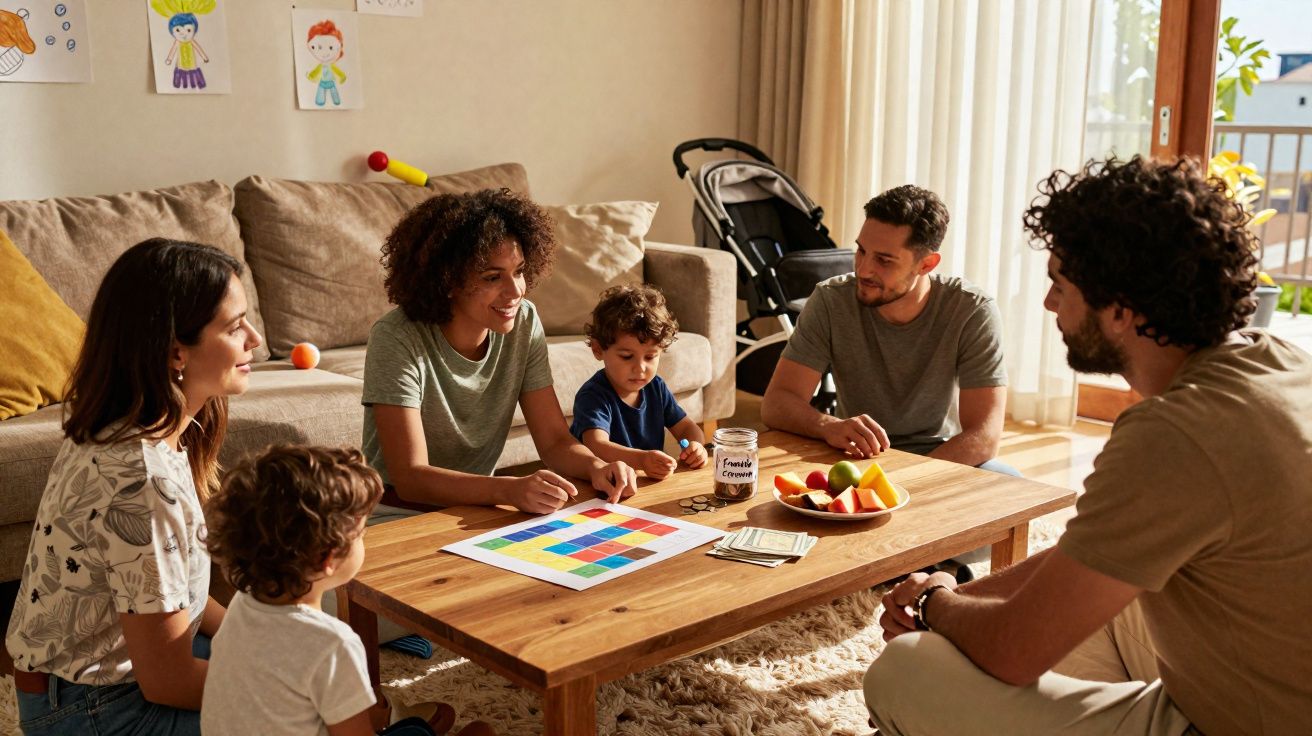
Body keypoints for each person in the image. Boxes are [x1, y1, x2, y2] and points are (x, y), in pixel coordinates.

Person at [863, 156, 1312, 736]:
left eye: (1060, 285)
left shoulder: (1175, 433)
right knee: (1103, 601)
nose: (1050, 304)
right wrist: (953, 586)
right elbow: (1103, 556)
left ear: (1120, 310)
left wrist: (933, 608)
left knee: (904, 668)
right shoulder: (1279, 360)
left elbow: (1014, 651)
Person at [5, 238, 262, 735]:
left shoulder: (137, 428)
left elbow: (177, 594)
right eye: (234, 326)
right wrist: (297, 688)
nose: (253, 337)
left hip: (110, 677)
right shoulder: (141, 482)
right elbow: (168, 682)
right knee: (306, 710)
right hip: (93, 709)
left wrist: (258, 639)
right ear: (174, 351)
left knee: (292, 659)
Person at [362, 188, 638, 521]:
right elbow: (410, 478)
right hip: (395, 512)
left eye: (519, 272)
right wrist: (508, 490)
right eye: (493, 277)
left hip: (477, 506)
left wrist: (597, 466)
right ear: (447, 281)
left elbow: (553, 441)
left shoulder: (524, 320)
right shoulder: (397, 336)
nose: (515, 291)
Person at [201, 445, 494, 736]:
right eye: (361, 534)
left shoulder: (241, 605)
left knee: (424, 725)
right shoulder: (333, 644)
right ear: (328, 558)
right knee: (480, 732)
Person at [760, 184, 1013, 474]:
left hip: (940, 456)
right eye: (861, 251)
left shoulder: (972, 311)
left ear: (927, 264)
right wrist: (828, 426)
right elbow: (777, 403)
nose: (864, 269)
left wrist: (902, 480)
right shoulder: (830, 300)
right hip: (855, 456)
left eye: (884, 260)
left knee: (1011, 482)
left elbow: (984, 436)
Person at [570, 284, 709, 479]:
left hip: (641, 482)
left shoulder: (656, 387)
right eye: (627, 357)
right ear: (598, 349)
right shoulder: (593, 395)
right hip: (598, 485)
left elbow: (686, 427)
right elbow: (597, 446)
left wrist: (696, 446)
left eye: (651, 357)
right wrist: (642, 461)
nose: (641, 368)